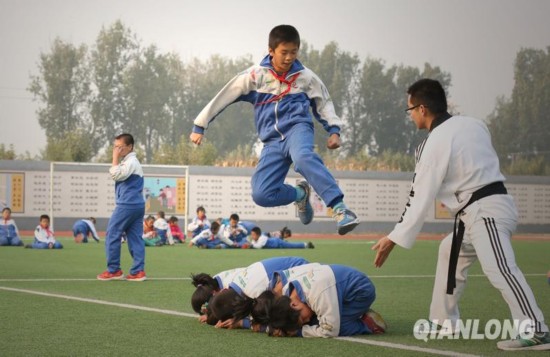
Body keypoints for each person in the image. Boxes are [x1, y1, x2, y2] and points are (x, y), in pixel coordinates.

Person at [371, 79, 549, 351]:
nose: (410, 116)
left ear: (422, 109)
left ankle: (536, 329)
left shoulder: (434, 142)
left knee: (500, 269)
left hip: (484, 211)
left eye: (410, 110)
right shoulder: (475, 124)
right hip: (482, 208)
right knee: (449, 250)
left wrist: (393, 238)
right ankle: (445, 322)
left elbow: (419, 196)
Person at [189, 24, 359, 235]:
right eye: (284, 52)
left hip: (298, 130)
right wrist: (200, 125)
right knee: (261, 194)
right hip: (271, 142)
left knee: (303, 157)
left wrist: (334, 130)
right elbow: (225, 95)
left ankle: (340, 209)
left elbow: (324, 103)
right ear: (271, 51)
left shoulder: (305, 77)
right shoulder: (255, 76)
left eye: (294, 52)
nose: (289, 58)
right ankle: (299, 194)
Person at [267, 264, 385, 337]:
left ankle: (367, 324)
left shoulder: (317, 295)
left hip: (360, 292)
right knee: (313, 322)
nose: (306, 320)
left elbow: (330, 331)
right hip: (336, 289)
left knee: (333, 326)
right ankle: (350, 313)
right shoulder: (288, 290)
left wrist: (298, 332)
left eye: (302, 318)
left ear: (293, 304)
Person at [207, 256, 310, 328]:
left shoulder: (254, 294)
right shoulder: (236, 283)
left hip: (303, 273)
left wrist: (242, 323)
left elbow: (272, 319)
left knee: (290, 321)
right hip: (300, 268)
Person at [97, 133, 146, 282]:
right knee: (135, 238)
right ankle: (138, 271)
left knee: (113, 234)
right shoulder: (131, 162)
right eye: (115, 147)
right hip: (137, 204)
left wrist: (114, 158)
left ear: (130, 147)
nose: (117, 150)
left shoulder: (130, 162)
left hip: (127, 204)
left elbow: (117, 175)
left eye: (120, 147)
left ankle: (114, 270)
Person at [249, 227, 313, 249]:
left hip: (278, 242)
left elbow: (258, 246)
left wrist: (251, 246)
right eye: (251, 235)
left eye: (253, 235)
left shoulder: (262, 238)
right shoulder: (257, 239)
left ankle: (306, 245)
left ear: (258, 235)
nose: (252, 236)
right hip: (276, 243)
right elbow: (253, 243)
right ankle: (305, 245)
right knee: (290, 245)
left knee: (291, 246)